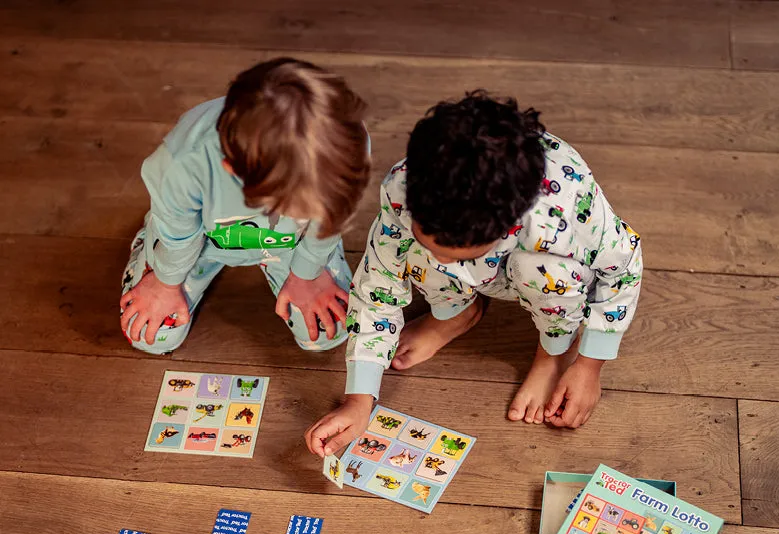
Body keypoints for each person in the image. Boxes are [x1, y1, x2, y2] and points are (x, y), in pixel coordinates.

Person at [306, 91, 642, 456]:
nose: (443, 265)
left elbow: (623, 270)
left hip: (536, 271)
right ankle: (456, 313)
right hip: (492, 262)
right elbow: (377, 284)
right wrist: (359, 398)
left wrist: (589, 365)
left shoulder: (560, 213)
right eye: (433, 246)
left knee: (546, 272)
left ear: (505, 226)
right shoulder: (404, 187)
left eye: (453, 255)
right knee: (401, 248)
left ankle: (553, 351)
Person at [120, 58, 370, 353]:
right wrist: (165, 282)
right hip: (197, 241)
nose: (309, 214)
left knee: (328, 333)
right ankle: (148, 242)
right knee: (151, 337)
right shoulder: (182, 163)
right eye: (295, 207)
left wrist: (308, 271)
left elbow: (334, 218)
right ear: (233, 170)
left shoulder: (346, 143)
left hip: (290, 244)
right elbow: (179, 236)